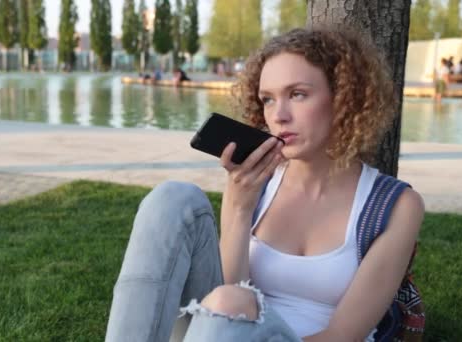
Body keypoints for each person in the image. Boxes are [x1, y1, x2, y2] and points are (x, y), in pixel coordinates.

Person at [106, 26, 424, 342]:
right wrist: (239, 205)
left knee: (230, 302)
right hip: (220, 329)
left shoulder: (395, 206)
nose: (279, 115)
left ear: (343, 98)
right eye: (268, 100)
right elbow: (229, 292)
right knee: (174, 198)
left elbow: (344, 336)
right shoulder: (259, 180)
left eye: (297, 94)